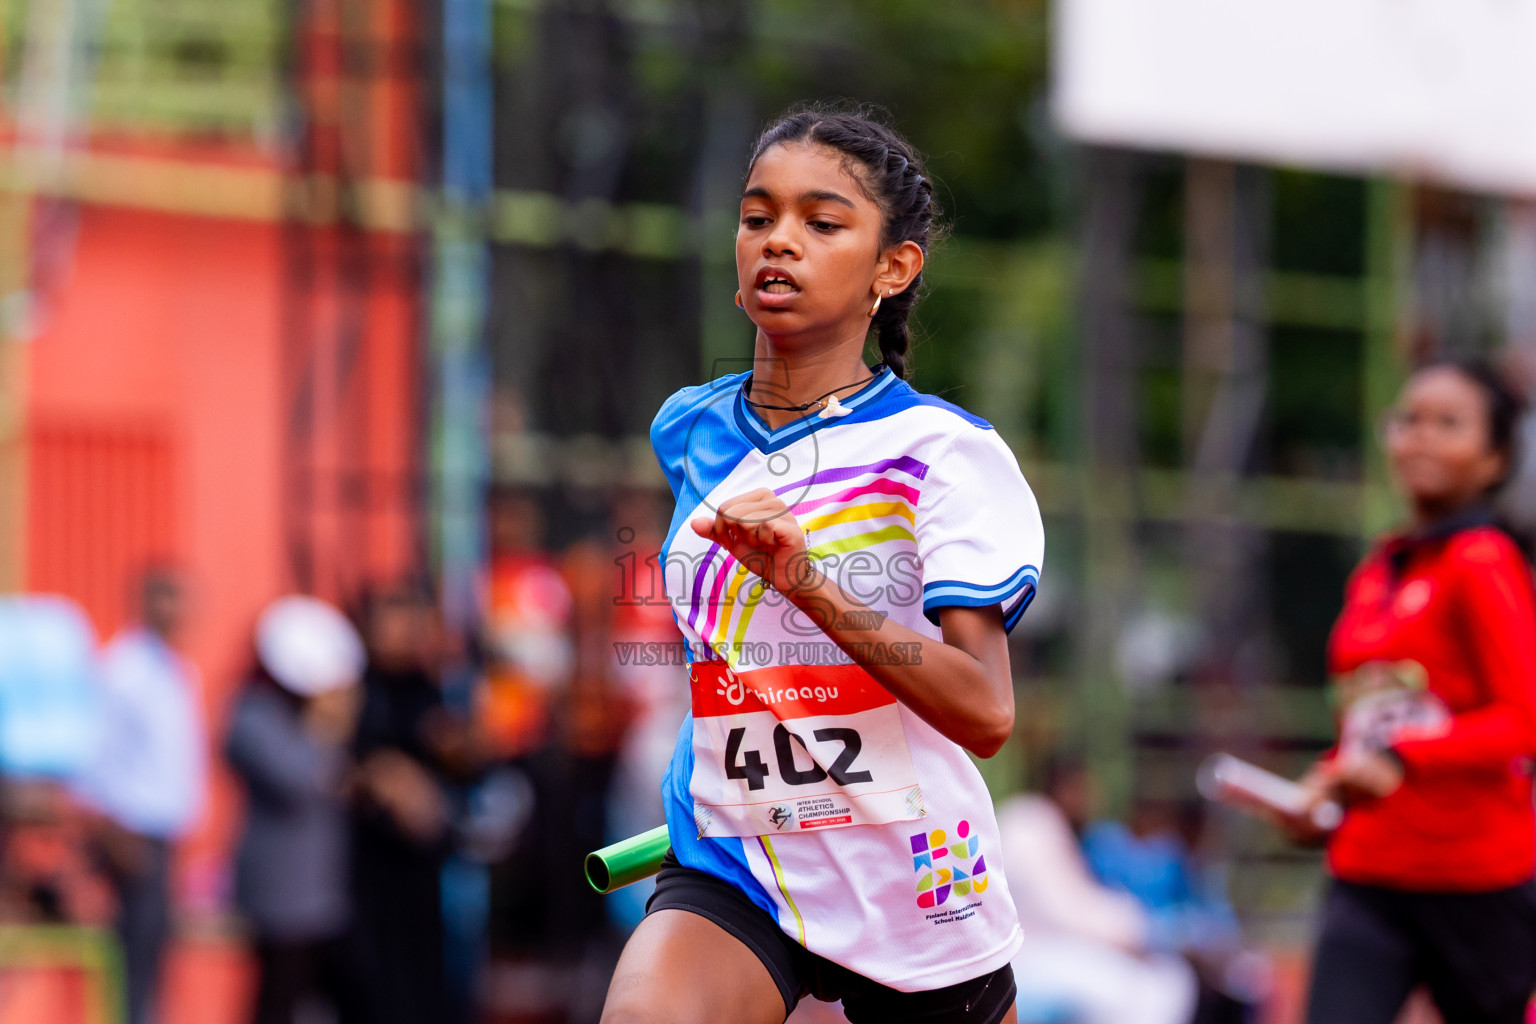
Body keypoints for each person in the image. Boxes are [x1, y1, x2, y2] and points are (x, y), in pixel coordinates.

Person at [600, 104, 1042, 1024]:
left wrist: (806, 581)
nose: (779, 241)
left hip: (914, 874)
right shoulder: (690, 431)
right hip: (736, 860)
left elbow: (986, 710)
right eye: (758, 217)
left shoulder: (941, 454)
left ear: (894, 267)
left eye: (821, 222)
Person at [1286, 357, 1536, 1024]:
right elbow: (1370, 724)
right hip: (1369, 873)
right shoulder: (1378, 569)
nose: (1420, 437)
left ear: (1494, 459)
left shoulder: (1484, 561)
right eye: (1408, 420)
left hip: (1475, 881)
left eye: (1448, 424)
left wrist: (1400, 761)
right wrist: (1327, 787)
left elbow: (1521, 720)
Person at [225, 595, 369, 1024]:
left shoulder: (303, 715)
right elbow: (300, 781)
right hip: (280, 891)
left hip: (325, 889)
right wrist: (328, 725)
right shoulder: (253, 714)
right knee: (278, 998)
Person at [76, 569, 206, 1024]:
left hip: (163, 831)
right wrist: (109, 823)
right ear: (143, 604)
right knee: (134, 951)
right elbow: (95, 751)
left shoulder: (177, 669)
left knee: (156, 949)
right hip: (131, 830)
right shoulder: (123, 668)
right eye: (164, 601)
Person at [998, 758, 1197, 1024]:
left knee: (1161, 979)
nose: (1090, 800)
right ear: (1064, 787)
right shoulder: (1029, 824)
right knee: (1149, 989)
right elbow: (1062, 910)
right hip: (1029, 955)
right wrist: (1132, 929)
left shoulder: (1045, 824)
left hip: (1047, 948)